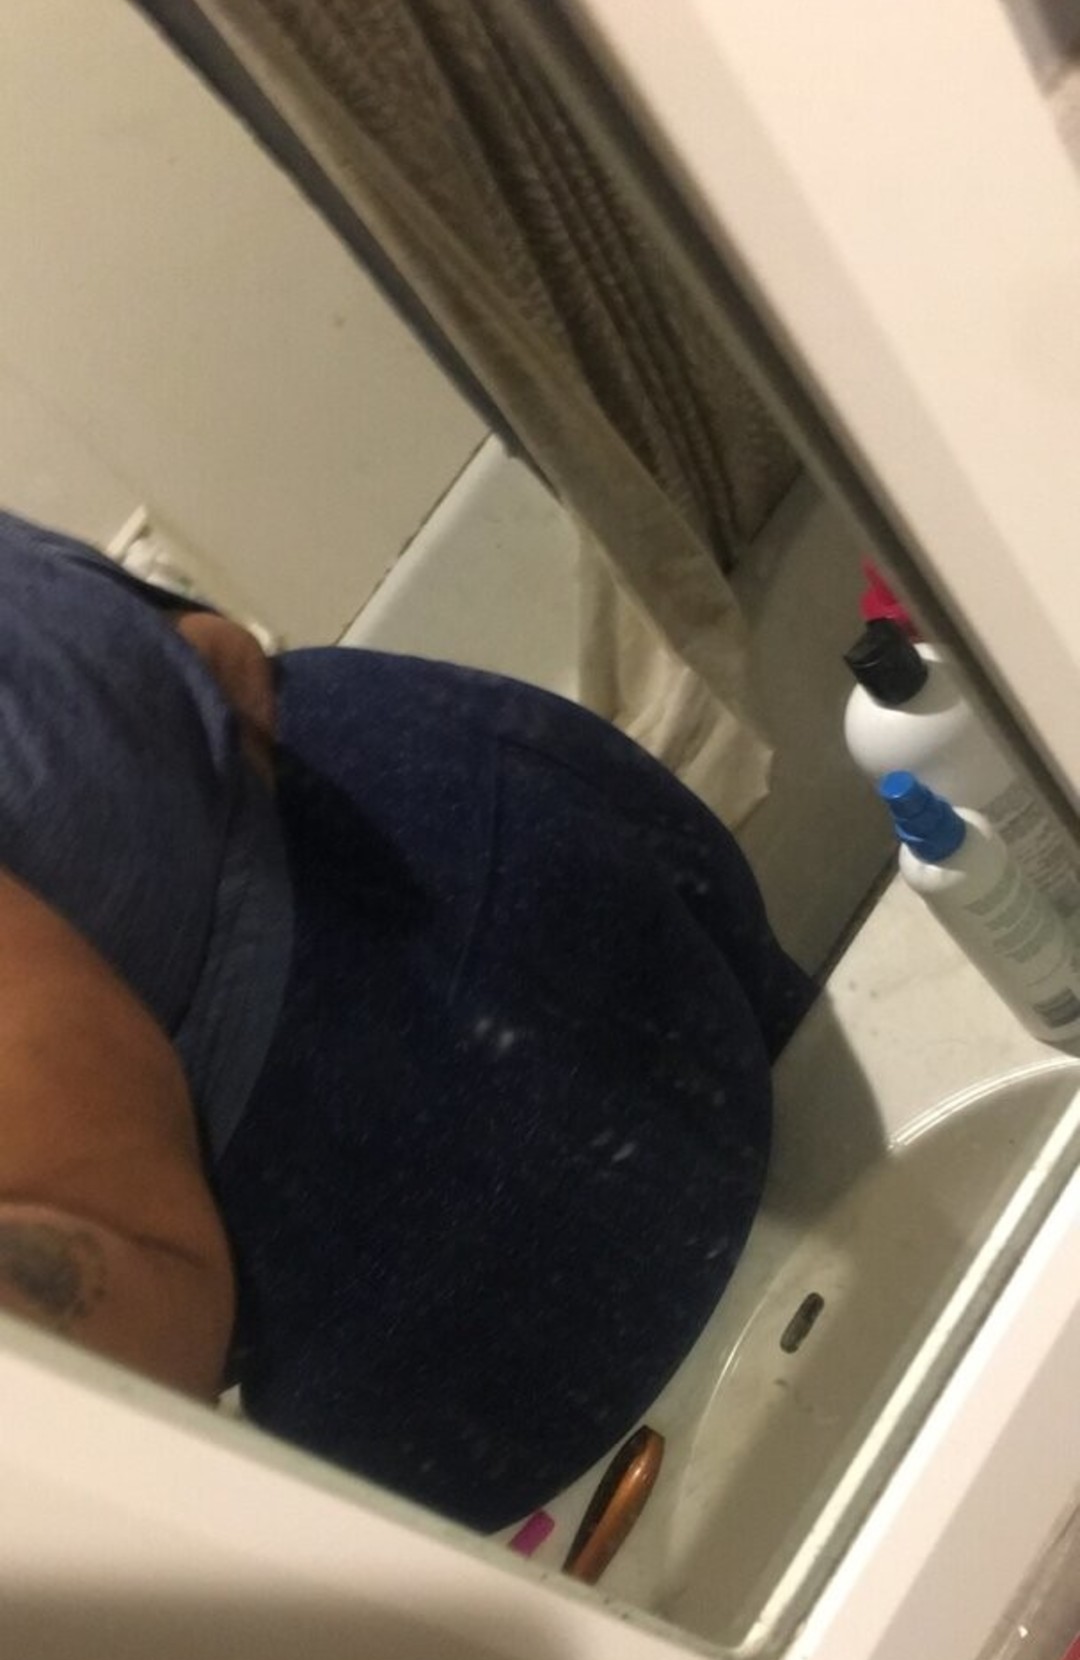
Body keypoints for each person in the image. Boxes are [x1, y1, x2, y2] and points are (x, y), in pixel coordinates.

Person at [0, 510, 813, 1530]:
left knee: (786, 1501)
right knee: (871, 1199)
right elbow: (216, 653)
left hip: (395, 1119)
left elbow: (130, 1322)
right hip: (448, 780)